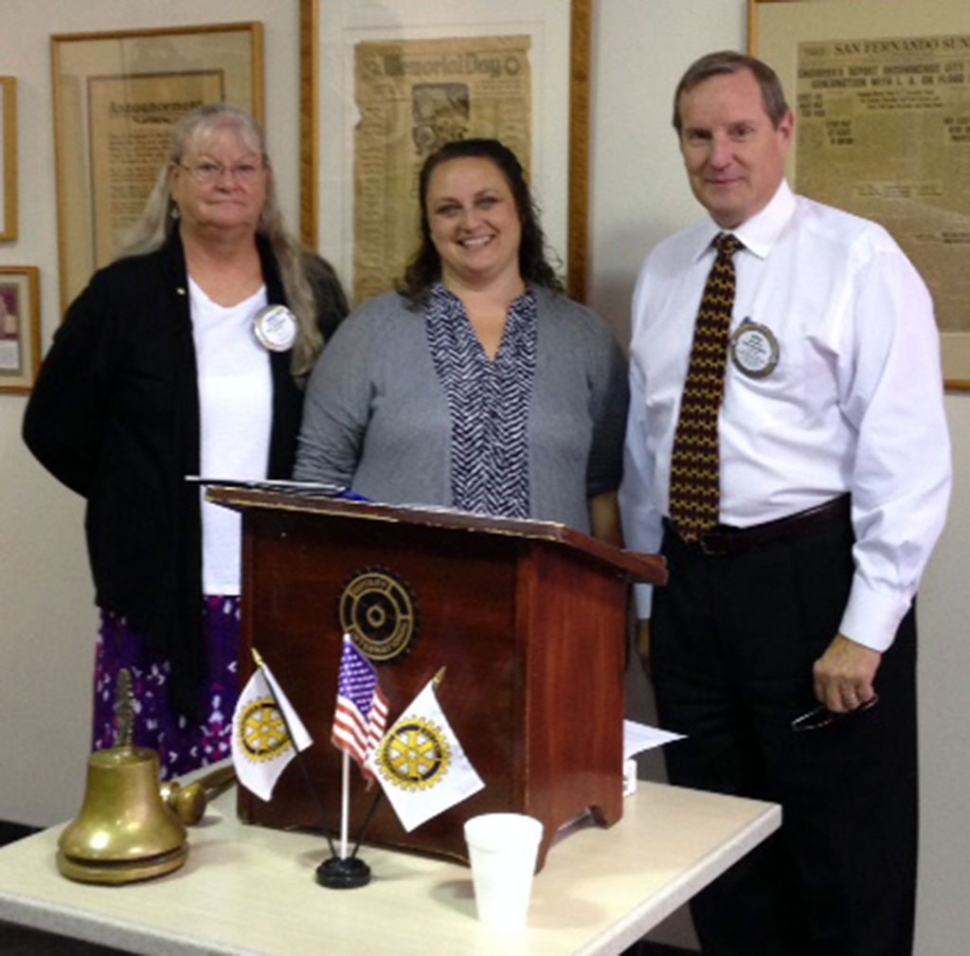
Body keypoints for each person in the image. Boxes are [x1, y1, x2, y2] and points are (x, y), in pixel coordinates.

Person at [619, 52, 951, 956]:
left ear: (783, 131)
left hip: (812, 587)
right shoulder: (666, 271)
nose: (719, 154)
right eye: (699, 135)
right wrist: (653, 600)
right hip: (693, 590)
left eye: (739, 131)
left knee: (845, 857)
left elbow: (908, 459)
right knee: (719, 852)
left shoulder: (856, 259)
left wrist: (868, 626)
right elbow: (650, 452)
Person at [23, 105, 348, 778]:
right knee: (160, 787)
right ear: (174, 182)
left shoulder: (309, 288)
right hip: (157, 590)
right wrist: (134, 492)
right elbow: (53, 425)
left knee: (275, 783)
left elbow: (339, 423)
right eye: (207, 166)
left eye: (244, 166)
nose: (227, 180)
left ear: (266, 181)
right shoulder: (124, 295)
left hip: (277, 584)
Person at [295, 138, 627, 541]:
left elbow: (603, 490)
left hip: (552, 598)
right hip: (400, 596)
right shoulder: (369, 333)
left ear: (520, 209)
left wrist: (612, 600)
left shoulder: (586, 339)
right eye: (448, 209)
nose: (470, 223)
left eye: (487, 202)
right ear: (430, 227)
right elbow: (318, 479)